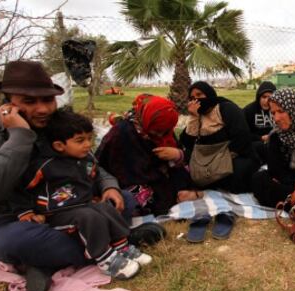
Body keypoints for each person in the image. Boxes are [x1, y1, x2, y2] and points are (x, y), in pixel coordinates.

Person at [0, 61, 135, 291]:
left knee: (125, 200)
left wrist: (108, 185)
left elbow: (90, 164)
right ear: (8, 103)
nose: (42, 109)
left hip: (73, 211)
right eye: (29, 101)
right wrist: (20, 136)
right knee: (14, 243)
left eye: (47, 100)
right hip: (21, 223)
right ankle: (111, 243)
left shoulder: (58, 127)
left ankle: (51, 262)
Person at [13, 109, 152, 281]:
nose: (87, 144)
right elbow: (20, 188)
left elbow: (95, 177)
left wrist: (104, 190)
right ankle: (104, 258)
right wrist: (26, 212)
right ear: (59, 145)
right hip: (57, 213)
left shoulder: (87, 160)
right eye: (80, 141)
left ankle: (121, 247)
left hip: (84, 205)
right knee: (90, 217)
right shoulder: (45, 166)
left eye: (89, 138)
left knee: (106, 209)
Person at [179, 81, 259, 242]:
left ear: (209, 94)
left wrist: (220, 161)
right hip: (207, 158)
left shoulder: (225, 108)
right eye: (192, 98)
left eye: (200, 96)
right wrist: (194, 117)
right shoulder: (197, 115)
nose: (196, 100)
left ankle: (220, 199)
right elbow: (187, 142)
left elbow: (242, 137)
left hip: (232, 155)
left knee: (238, 173)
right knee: (191, 166)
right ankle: (211, 193)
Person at [95, 94, 195, 216]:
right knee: (137, 196)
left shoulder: (165, 128)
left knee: (186, 172)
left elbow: (180, 158)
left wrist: (176, 154)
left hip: (158, 174)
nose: (160, 135)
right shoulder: (122, 132)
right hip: (131, 178)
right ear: (147, 119)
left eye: (165, 131)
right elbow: (112, 166)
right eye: (157, 130)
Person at [243, 81, 277, 164]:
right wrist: (261, 138)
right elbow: (243, 134)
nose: (266, 101)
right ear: (258, 97)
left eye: (270, 98)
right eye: (264, 97)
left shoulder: (278, 109)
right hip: (256, 143)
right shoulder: (248, 111)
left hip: (275, 141)